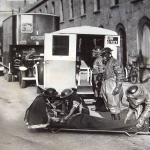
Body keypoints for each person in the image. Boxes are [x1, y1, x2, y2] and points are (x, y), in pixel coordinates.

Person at [100, 47, 125, 120]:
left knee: (114, 107)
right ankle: (113, 123)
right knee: (110, 106)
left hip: (113, 85)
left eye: (104, 56)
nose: (103, 58)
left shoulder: (115, 62)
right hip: (107, 85)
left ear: (108, 54)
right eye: (102, 56)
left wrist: (117, 87)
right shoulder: (107, 63)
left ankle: (117, 124)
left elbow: (120, 75)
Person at [91, 46, 106, 111]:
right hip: (96, 77)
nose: (93, 53)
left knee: (100, 92)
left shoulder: (100, 59)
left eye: (94, 52)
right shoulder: (98, 59)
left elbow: (102, 69)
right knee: (98, 92)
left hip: (98, 77)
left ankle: (102, 107)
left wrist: (100, 78)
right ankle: (98, 106)